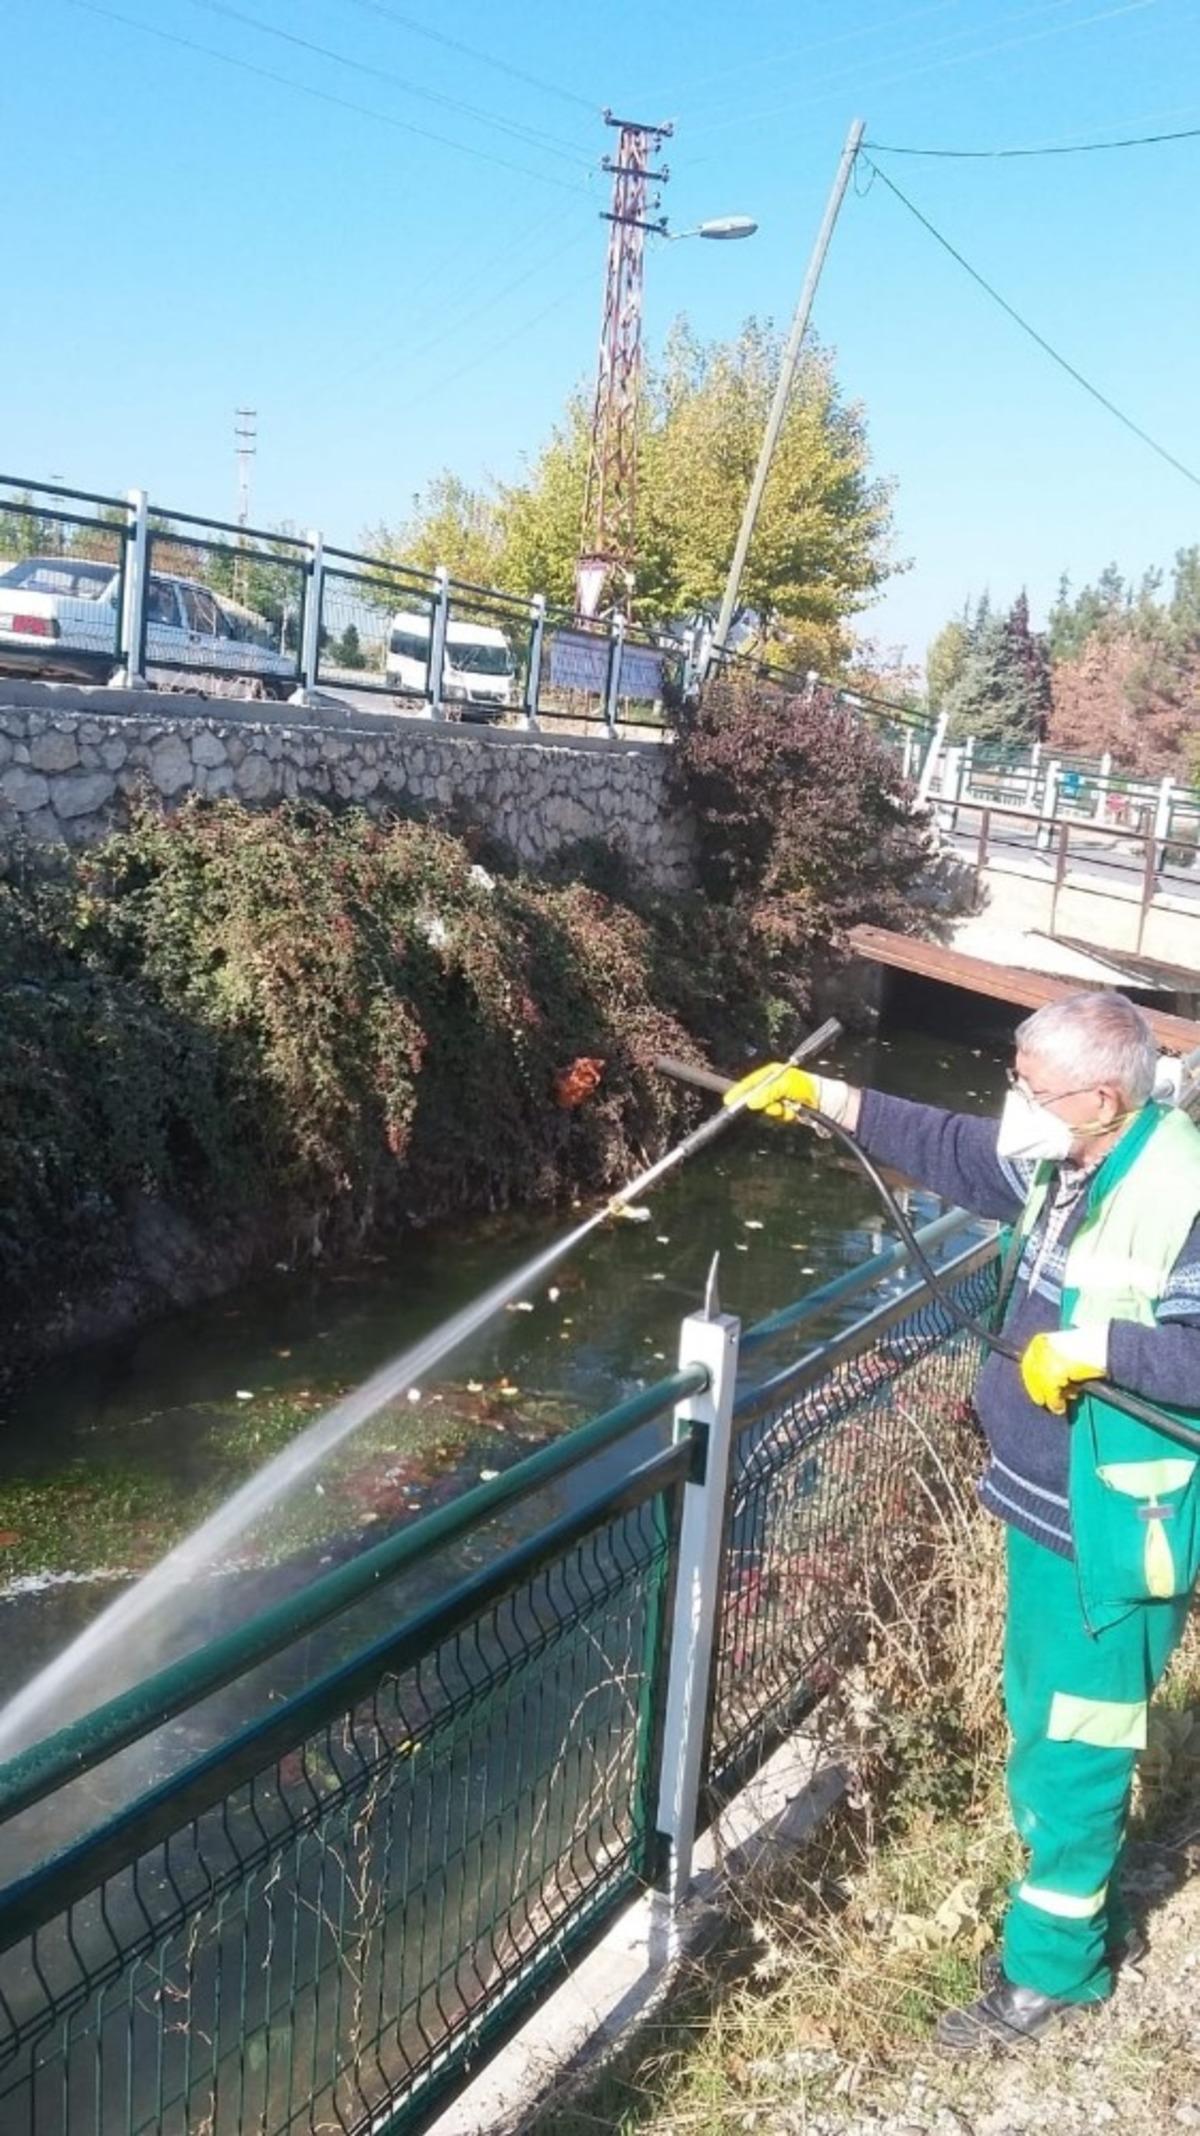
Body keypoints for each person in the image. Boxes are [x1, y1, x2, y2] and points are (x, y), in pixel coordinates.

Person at [725, 991, 1200, 2054]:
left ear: (1104, 1097)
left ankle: (1053, 1975)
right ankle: (1073, 1918)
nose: (1014, 1106)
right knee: (1049, 1730)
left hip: (1113, 1534)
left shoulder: (1185, 1196)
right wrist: (822, 1097)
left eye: (1033, 1089)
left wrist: (1102, 1350)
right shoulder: (1070, 1160)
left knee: (1074, 1745)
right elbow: (950, 1146)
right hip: (1045, 1511)